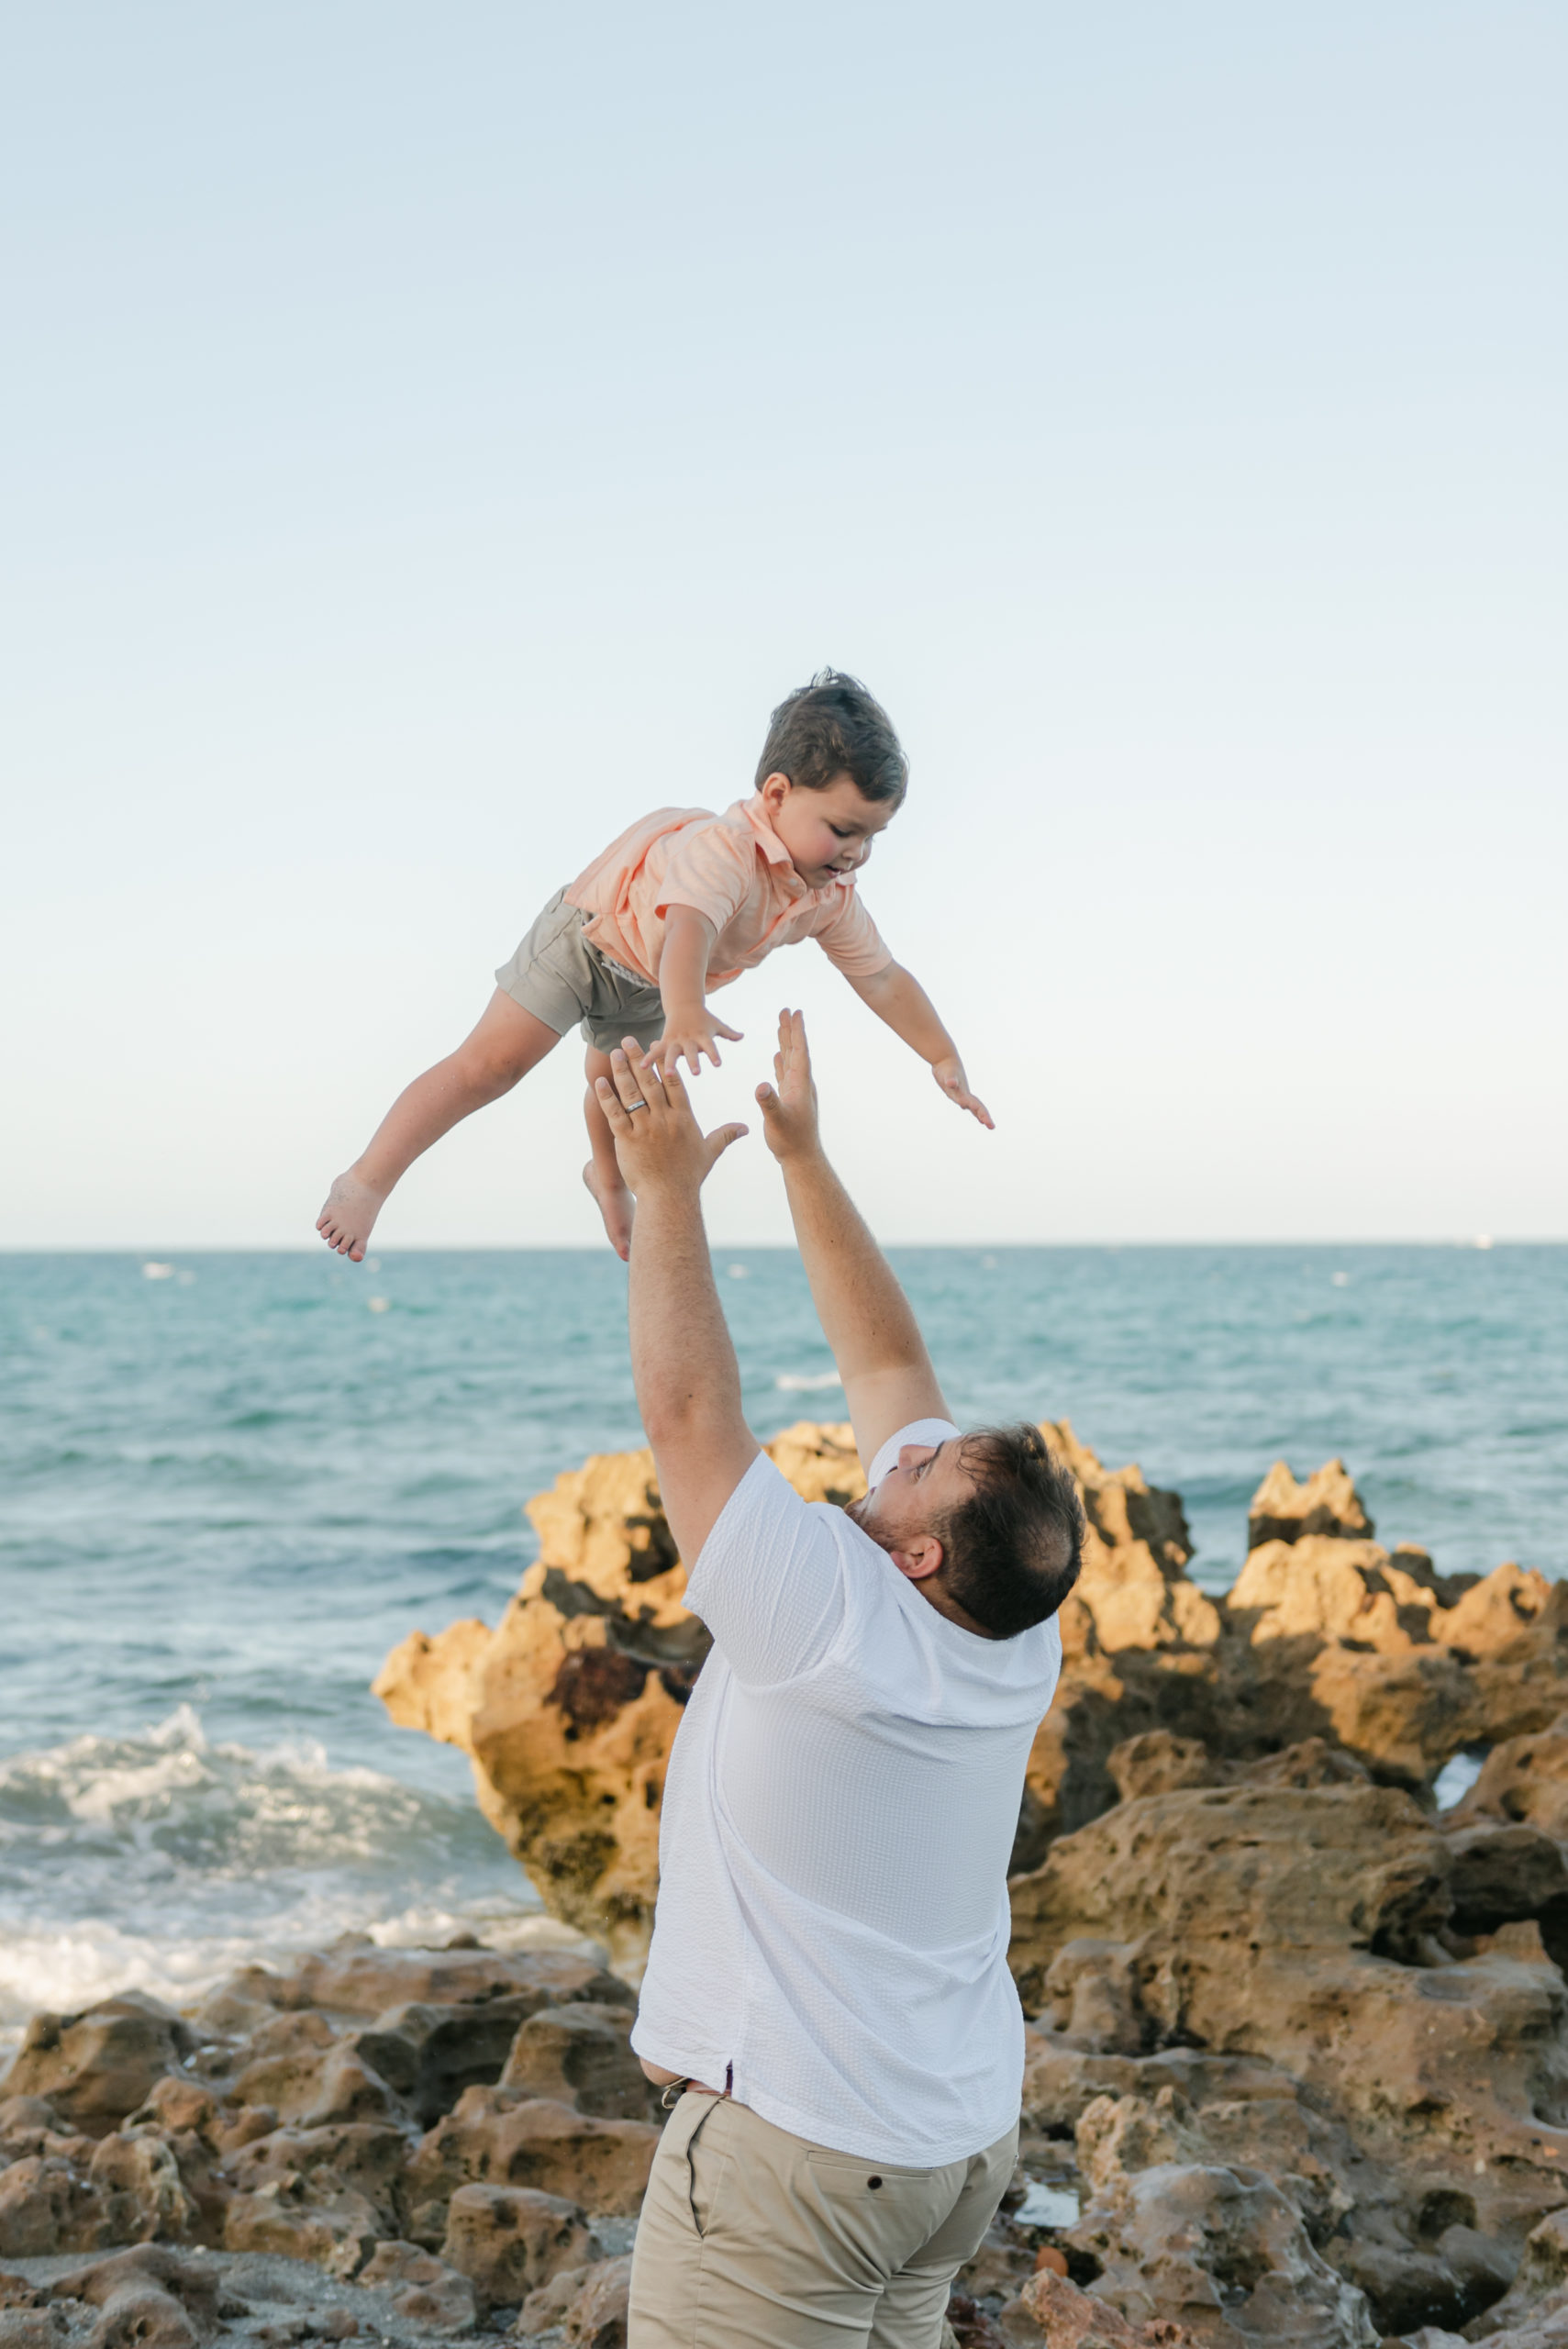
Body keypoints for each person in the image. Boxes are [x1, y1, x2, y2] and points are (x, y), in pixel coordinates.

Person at [592, 1010, 1084, 2349]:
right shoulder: (1013, 1626)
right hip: (948, 2153)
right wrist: (803, 1158)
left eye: (918, 1469)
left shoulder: (827, 1616)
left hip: (799, 2160)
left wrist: (666, 1191)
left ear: (917, 1549)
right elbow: (886, 1363)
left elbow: (688, 1416)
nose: (894, 1452)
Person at [316, 670, 992, 1264]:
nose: (855, 853)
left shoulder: (828, 896)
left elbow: (881, 977)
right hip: (590, 937)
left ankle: (605, 1179)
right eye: (843, 830)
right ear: (778, 794)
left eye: (872, 836)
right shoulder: (725, 849)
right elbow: (690, 925)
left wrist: (940, 1053)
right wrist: (688, 1010)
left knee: (618, 1094)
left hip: (655, 985)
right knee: (493, 1066)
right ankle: (367, 1178)